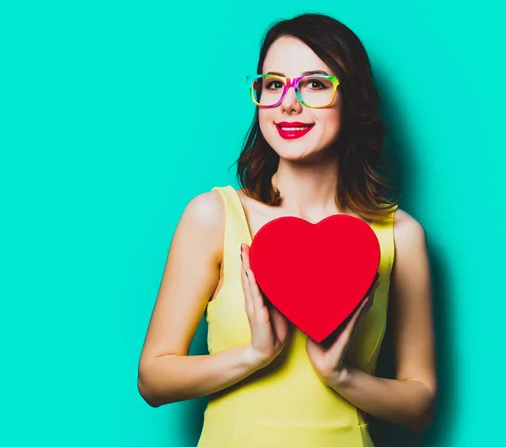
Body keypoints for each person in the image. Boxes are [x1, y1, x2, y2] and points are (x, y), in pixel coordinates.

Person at [137, 12, 437, 447]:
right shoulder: (214, 216)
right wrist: (256, 354)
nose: (289, 103)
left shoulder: (399, 235)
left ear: (352, 99)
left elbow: (420, 402)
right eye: (274, 84)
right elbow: (153, 379)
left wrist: (342, 375)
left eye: (315, 84)